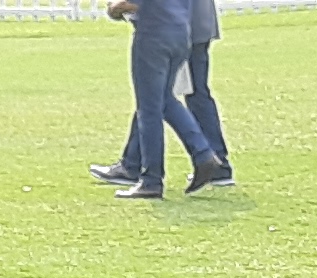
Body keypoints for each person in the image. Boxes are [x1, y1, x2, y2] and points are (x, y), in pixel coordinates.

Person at [92, 0, 225, 198]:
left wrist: (114, 9)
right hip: (181, 31)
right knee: (165, 100)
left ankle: (151, 179)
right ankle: (203, 154)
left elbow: (131, 4)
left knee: (149, 109)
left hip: (154, 33)